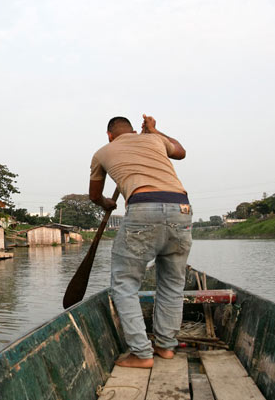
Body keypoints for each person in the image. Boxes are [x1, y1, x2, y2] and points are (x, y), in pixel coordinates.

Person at [89, 114, 191, 368]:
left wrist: (106, 203)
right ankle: (166, 347)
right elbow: (180, 151)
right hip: (182, 209)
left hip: (143, 207)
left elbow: (94, 195)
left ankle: (142, 354)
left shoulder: (103, 152)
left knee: (124, 283)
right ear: (135, 131)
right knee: (172, 285)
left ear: (109, 135)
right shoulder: (155, 140)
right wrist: (156, 130)